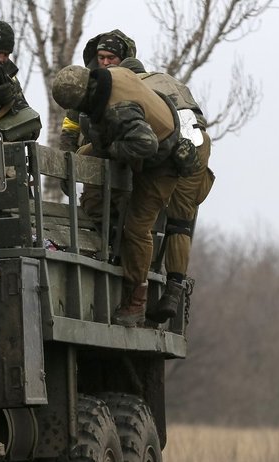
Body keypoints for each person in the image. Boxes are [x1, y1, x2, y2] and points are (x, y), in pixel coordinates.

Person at [51, 63, 184, 327]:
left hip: (162, 160)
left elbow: (147, 143)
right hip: (137, 140)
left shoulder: (118, 110)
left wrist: (112, 151)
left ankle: (135, 300)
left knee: (137, 229)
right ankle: (105, 229)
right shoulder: (110, 75)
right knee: (81, 159)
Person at [118, 57, 215, 323]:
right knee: (181, 223)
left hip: (171, 143)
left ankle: (136, 293)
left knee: (142, 222)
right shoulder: (170, 80)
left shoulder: (133, 88)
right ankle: (174, 291)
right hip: (198, 141)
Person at [58, 29, 136, 152]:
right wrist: (67, 162)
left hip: (126, 155)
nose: (105, 62)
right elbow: (71, 127)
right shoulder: (85, 87)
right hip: (90, 158)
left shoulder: (136, 85)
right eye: (101, 57)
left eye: (111, 57)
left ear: (123, 59)